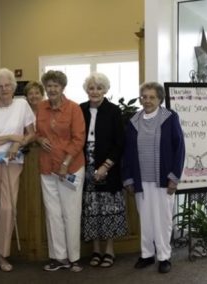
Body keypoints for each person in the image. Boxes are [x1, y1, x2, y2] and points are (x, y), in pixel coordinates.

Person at [122, 82, 185, 274]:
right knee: (146, 219)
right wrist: (129, 179)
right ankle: (147, 254)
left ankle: (164, 256)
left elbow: (179, 147)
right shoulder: (133, 121)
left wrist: (174, 177)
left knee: (163, 220)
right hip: (141, 179)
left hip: (163, 179)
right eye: (144, 97)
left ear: (159, 99)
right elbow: (127, 152)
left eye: (152, 97)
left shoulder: (169, 118)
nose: (147, 100)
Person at [0, 68, 35, 272]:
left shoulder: (22, 105)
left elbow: (31, 134)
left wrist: (17, 145)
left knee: (7, 208)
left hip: (12, 161)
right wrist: (10, 137)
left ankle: (2, 253)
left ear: (13, 86)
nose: (4, 89)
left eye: (7, 85)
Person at [36, 70, 86, 272]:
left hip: (70, 167)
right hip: (47, 167)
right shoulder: (41, 107)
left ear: (63, 87)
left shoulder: (73, 108)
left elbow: (78, 139)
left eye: (56, 85)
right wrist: (39, 139)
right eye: (49, 86)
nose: (52, 89)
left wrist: (66, 163)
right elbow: (38, 133)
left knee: (71, 213)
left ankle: (74, 258)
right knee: (53, 214)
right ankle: (59, 257)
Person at [79, 72, 128, 268]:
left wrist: (106, 166)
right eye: (91, 88)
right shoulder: (80, 109)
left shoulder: (114, 111)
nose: (95, 91)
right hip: (84, 165)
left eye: (99, 88)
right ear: (87, 90)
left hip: (108, 166)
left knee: (108, 210)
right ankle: (96, 250)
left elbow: (120, 142)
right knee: (91, 209)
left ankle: (109, 251)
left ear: (105, 90)